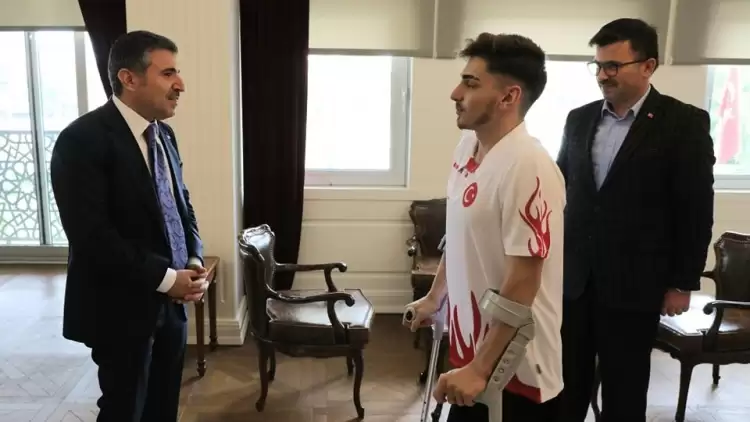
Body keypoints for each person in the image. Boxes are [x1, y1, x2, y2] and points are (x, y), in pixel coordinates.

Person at [556, 18, 715, 422]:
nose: (602, 76)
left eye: (613, 66)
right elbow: (561, 190)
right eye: (598, 66)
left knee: (624, 390)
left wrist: (682, 282)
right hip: (574, 281)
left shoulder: (683, 123)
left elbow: (695, 208)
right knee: (565, 386)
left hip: (635, 284)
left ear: (648, 66)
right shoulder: (578, 119)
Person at [403, 33, 566, 421]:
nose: (456, 93)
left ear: (509, 96)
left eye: (471, 84)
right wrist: (436, 296)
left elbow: (523, 280)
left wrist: (480, 368)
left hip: (513, 366)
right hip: (472, 351)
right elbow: (461, 236)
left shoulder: (528, 166)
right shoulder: (467, 148)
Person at [50, 30, 209, 422]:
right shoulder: (80, 140)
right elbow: (92, 237)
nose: (180, 84)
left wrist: (192, 260)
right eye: (168, 73)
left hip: (172, 308)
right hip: (118, 309)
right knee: (124, 410)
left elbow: (181, 206)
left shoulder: (165, 135)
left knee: (162, 408)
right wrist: (166, 278)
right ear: (129, 78)